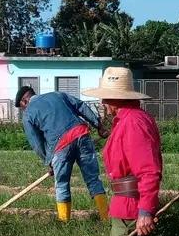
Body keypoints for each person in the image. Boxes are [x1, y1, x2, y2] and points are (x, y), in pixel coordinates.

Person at [81, 67, 162, 236]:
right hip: (125, 206)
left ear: (117, 98)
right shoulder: (126, 121)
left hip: (131, 209)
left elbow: (148, 170)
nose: (103, 103)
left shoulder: (133, 123)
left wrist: (145, 211)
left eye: (106, 97)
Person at [14, 86, 109, 222]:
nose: (23, 110)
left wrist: (49, 161)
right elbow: (81, 106)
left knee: (62, 184)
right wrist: (98, 126)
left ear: (24, 102)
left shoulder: (28, 114)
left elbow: (36, 144)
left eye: (22, 107)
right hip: (82, 135)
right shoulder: (58, 95)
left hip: (60, 146)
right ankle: (106, 218)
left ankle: (64, 222)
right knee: (93, 179)